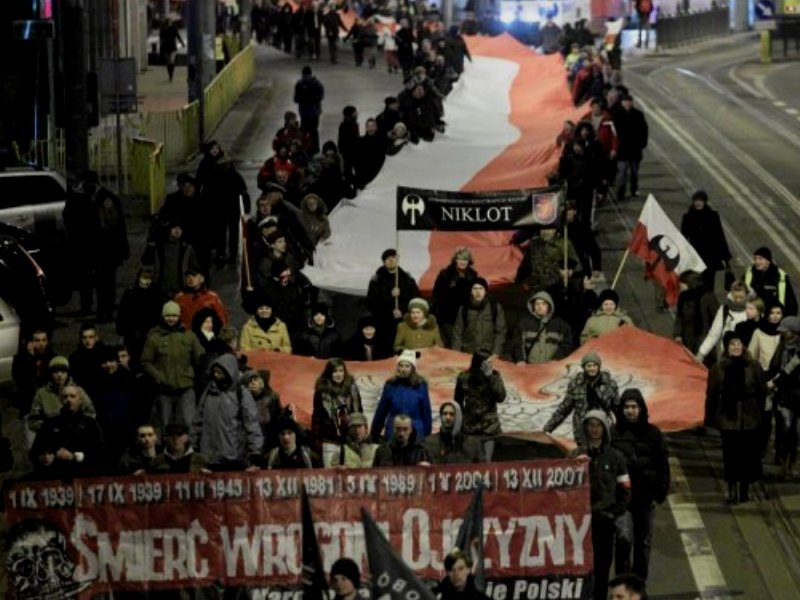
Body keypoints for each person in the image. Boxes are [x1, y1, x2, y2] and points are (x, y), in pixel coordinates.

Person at [612, 389, 670, 582]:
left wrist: (660, 491)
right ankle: (622, 585)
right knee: (623, 540)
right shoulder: (613, 433)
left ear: (641, 408)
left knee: (643, 543)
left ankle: (638, 585)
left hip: (645, 499)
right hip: (622, 500)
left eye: (634, 407)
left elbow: (663, 464)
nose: (630, 411)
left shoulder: (654, 433)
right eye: (626, 407)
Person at [573, 410, 630, 600]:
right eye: (590, 425)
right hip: (580, 523)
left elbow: (625, 491)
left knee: (602, 568)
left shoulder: (616, 457)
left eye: (598, 425)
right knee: (580, 568)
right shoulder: (575, 455)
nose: (594, 429)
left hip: (604, 521)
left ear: (605, 429)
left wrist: (613, 514)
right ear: (585, 428)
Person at [706, 331, 766, 502]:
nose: (736, 347)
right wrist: (709, 418)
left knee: (747, 455)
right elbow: (712, 394)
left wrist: (759, 414)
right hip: (728, 418)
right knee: (730, 455)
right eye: (732, 344)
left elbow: (761, 392)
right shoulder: (718, 368)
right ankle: (732, 488)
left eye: (738, 343)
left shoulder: (753, 366)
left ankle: (744, 489)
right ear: (726, 347)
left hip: (750, 418)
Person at [192, 354, 264, 472]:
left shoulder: (241, 393)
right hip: (208, 460)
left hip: (235, 460)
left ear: (228, 373)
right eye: (214, 372)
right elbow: (197, 422)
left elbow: (252, 423)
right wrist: (192, 446)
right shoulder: (209, 392)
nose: (215, 375)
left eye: (219, 372)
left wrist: (255, 453)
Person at [141, 301, 205, 428]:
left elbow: (199, 358)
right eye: (168, 315)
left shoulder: (189, 336)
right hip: (164, 390)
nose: (171, 319)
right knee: (165, 425)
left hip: (185, 388)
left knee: (189, 423)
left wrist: (192, 375)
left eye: (174, 316)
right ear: (162, 316)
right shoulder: (154, 338)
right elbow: (146, 361)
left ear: (179, 316)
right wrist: (159, 377)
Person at [29, 384, 106, 479]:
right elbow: (34, 453)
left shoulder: (90, 424)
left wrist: (74, 457)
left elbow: (100, 454)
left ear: (80, 400)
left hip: (84, 475)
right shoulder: (50, 424)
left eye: (73, 396)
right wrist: (44, 458)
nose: (69, 400)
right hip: (55, 476)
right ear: (61, 400)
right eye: (65, 397)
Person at [543, 351, 619, 446]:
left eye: (594, 365)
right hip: (582, 431)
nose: (592, 368)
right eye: (589, 366)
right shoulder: (575, 384)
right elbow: (564, 409)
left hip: (602, 429)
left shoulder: (609, 384)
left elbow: (617, 408)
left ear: (599, 366)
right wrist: (548, 428)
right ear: (584, 367)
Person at [454, 350, 506, 461]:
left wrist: (490, 377)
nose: (490, 365)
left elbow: (501, 397)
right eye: (488, 362)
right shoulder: (464, 377)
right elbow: (458, 401)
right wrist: (461, 422)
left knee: (485, 462)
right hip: (470, 428)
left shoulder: (494, 376)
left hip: (489, 428)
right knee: (470, 461)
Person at [371, 350, 432, 442]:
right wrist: (374, 434)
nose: (403, 369)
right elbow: (381, 411)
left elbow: (426, 411)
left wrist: (427, 435)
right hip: (394, 430)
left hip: (415, 431)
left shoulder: (420, 385)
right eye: (401, 365)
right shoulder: (391, 385)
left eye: (407, 366)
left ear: (412, 368)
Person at [28, 356, 95, 439]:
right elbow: (33, 420)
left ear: (68, 373)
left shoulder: (78, 391)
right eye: (55, 372)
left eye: (63, 372)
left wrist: (78, 427)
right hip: (51, 437)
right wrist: (49, 428)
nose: (59, 375)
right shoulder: (41, 393)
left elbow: (90, 413)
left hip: (77, 436)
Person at [749, 301, 785, 453]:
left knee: (782, 418)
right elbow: (751, 357)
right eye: (772, 313)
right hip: (764, 379)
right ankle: (761, 447)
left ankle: (780, 451)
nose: (775, 316)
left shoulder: (786, 333)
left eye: (778, 313)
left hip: (783, 379)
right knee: (765, 416)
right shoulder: (759, 332)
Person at [767, 316, 800, 478]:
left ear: (794, 332)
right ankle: (783, 463)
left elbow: (789, 370)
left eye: (785, 331)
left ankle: (793, 463)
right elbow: (776, 368)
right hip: (785, 395)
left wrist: (775, 382)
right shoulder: (782, 347)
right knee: (784, 430)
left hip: (797, 394)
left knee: (797, 432)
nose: (782, 334)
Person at [366, 249, 421, 347]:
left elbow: (416, 299)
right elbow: (371, 303)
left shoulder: (407, 279)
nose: (391, 260)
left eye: (393, 257)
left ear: (398, 259)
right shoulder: (376, 280)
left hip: (404, 322)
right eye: (388, 258)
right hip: (383, 324)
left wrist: (402, 310)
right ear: (384, 261)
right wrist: (390, 309)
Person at [680, 190, 731, 292]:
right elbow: (683, 236)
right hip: (695, 255)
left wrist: (725, 257)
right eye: (696, 200)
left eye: (701, 201)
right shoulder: (688, 217)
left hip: (710, 256)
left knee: (709, 283)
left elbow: (719, 236)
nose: (698, 203)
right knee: (695, 282)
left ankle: (708, 300)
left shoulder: (713, 215)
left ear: (704, 202)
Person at [311, 358, 363, 458]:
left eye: (341, 371)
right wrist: (316, 441)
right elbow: (317, 418)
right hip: (329, 440)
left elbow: (359, 413)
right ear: (329, 373)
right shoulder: (321, 392)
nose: (338, 374)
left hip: (350, 440)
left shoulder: (353, 389)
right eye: (335, 371)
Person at [432, 247, 479, 347]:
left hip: (466, 315)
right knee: (452, 343)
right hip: (448, 316)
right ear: (455, 260)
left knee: (465, 344)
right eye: (460, 259)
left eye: (465, 259)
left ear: (469, 261)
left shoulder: (473, 276)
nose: (462, 262)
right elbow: (436, 294)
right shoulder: (445, 274)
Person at [116, 267, 162, 367]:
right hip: (131, 334)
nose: (147, 281)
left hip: (149, 334)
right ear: (138, 278)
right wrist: (124, 330)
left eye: (149, 278)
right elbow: (122, 313)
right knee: (133, 360)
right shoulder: (129, 293)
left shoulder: (156, 294)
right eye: (144, 278)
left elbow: (157, 315)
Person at [511, 291, 574, 364]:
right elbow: (517, 344)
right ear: (533, 306)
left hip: (552, 367)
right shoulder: (523, 324)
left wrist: (557, 358)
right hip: (530, 367)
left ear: (549, 306)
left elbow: (567, 344)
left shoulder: (561, 325)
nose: (540, 306)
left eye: (543, 304)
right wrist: (520, 360)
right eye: (537, 304)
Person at [696, 281, 750, 365]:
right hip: (726, 357)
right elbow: (714, 334)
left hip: (746, 357)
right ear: (731, 295)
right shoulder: (724, 309)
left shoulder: (751, 310)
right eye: (735, 297)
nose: (738, 300)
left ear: (746, 296)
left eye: (741, 297)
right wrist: (701, 354)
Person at [451, 278, 507, 358]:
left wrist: (496, 352)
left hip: (489, 354)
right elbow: (457, 332)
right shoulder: (464, 309)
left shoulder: (495, 307)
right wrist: (456, 353)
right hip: (468, 354)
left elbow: (501, 332)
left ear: (485, 291)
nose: (478, 292)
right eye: (475, 289)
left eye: (481, 288)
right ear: (471, 291)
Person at [673, 271, 719, 354]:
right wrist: (678, 334)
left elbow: (716, 319)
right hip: (687, 340)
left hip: (704, 340)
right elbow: (679, 317)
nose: (680, 285)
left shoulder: (708, 297)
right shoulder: (683, 296)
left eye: (683, 282)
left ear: (691, 283)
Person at [744, 246, 798, 317]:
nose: (757, 261)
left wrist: (788, 318)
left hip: (774, 316)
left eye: (760, 259)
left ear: (768, 261)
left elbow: (790, 300)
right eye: (755, 259)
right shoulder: (750, 273)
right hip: (755, 316)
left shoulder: (780, 275)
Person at [613, 93, 648, 201]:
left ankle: (634, 189)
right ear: (622, 103)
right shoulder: (617, 114)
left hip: (635, 148)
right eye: (625, 101)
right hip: (622, 148)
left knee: (634, 172)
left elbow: (644, 130)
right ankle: (621, 192)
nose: (628, 103)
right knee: (622, 171)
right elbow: (614, 131)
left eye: (629, 101)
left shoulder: (638, 114)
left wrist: (642, 143)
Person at [12, 327, 55, 414]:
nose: (41, 344)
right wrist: (31, 359)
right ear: (31, 342)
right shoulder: (20, 359)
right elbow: (20, 378)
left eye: (44, 340)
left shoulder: (53, 359)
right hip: (28, 404)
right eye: (37, 340)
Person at [68, 323, 107, 400]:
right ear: (81, 339)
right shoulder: (74, 358)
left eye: (91, 337)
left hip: (104, 395)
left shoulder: (105, 355)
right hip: (83, 396)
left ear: (96, 338)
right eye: (84, 337)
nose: (87, 340)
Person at [294, 65, 325, 155]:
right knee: (307, 131)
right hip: (307, 112)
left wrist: (310, 99)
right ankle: (309, 148)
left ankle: (313, 148)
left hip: (312, 112)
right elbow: (296, 98)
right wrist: (304, 99)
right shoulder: (301, 84)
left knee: (312, 131)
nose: (305, 77)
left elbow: (320, 96)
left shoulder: (315, 84)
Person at [159, 17, 184, 81]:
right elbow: (161, 37)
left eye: (171, 22)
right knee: (168, 62)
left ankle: (171, 74)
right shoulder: (163, 28)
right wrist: (160, 47)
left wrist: (182, 43)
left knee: (171, 61)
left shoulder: (174, 28)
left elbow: (178, 35)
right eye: (169, 22)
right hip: (165, 47)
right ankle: (170, 74)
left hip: (173, 47)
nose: (170, 23)